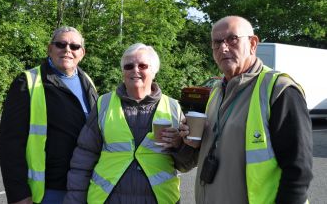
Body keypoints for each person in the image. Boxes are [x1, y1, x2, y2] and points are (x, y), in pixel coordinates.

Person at [180, 16, 313, 204]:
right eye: (217, 42)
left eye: (232, 39)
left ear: (252, 43)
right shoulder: (216, 91)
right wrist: (195, 143)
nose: (223, 48)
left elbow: (298, 170)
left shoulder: (279, 89)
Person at [64, 43, 196, 204]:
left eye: (142, 65)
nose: (135, 70)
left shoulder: (173, 106)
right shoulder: (103, 104)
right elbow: (84, 158)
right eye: (129, 66)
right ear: (122, 72)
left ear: (154, 71)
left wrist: (178, 145)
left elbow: (186, 165)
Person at [0, 26, 98, 204]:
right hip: (47, 192)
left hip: (84, 188)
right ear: (49, 48)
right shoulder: (27, 82)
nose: (67, 50)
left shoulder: (87, 82)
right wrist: (19, 194)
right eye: (61, 44)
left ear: (82, 53)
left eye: (74, 46)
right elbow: (10, 143)